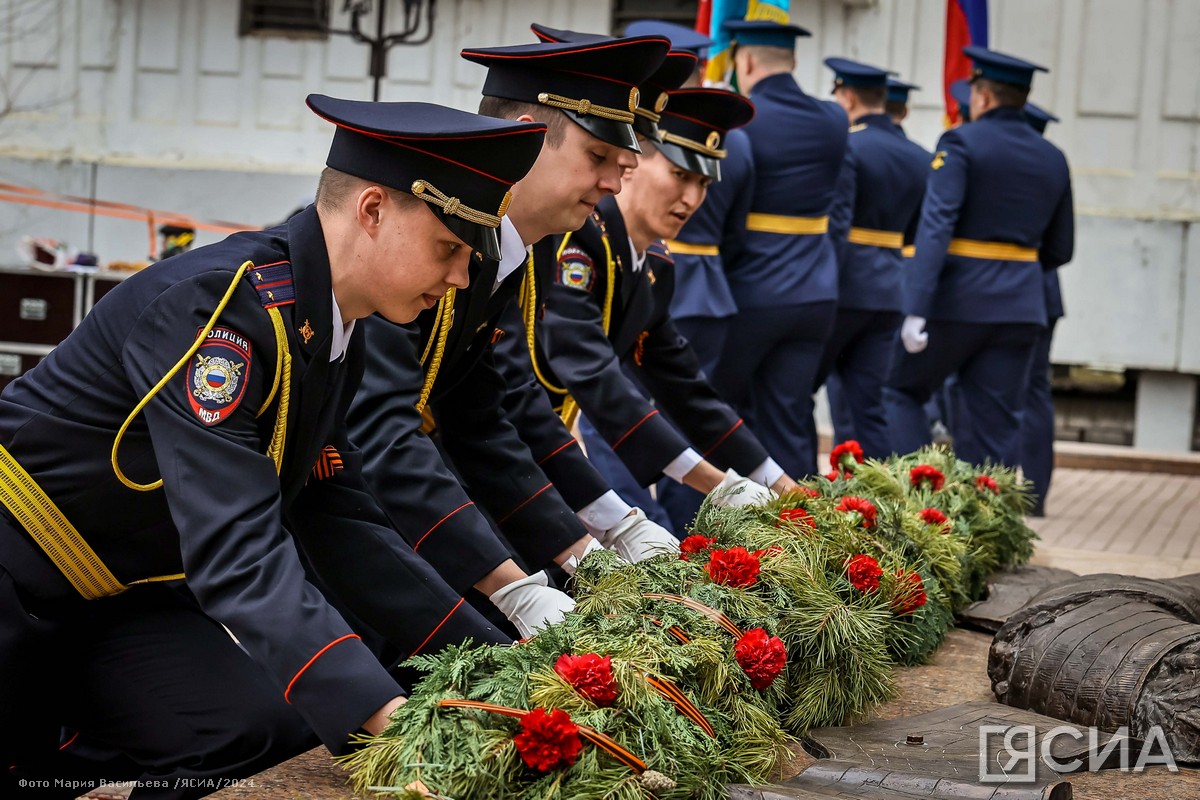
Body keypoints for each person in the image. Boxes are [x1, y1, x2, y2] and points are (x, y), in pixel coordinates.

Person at [0, 95, 540, 797]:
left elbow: (338, 520)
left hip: (115, 595)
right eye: (450, 249)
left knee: (257, 724)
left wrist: (499, 666)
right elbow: (238, 549)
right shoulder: (222, 312)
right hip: (16, 576)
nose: (463, 278)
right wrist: (390, 719)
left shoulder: (326, 330)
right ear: (372, 210)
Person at [347, 33, 684, 638]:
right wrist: (517, 586)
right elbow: (382, 429)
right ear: (528, 138)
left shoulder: (511, 249)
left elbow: (487, 410)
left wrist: (595, 542)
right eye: (598, 157)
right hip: (327, 506)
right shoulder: (419, 236)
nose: (616, 181)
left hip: (398, 489)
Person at [497, 84, 795, 510]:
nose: (692, 199)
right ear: (633, 165)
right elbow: (590, 371)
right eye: (680, 175)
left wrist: (780, 483)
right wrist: (716, 483)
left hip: (532, 452)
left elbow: (684, 387)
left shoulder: (654, 264)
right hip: (491, 452)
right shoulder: (576, 241)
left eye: (703, 183)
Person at [884, 46, 1074, 468]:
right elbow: (1061, 249)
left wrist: (916, 308)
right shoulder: (1053, 157)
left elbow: (937, 225)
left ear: (982, 97)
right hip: (1022, 306)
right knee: (997, 425)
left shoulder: (961, 142)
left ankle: (919, 507)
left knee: (898, 392)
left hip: (959, 301)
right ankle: (988, 527)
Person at [709, 18, 849, 478]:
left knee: (718, 413)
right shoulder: (834, 119)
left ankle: (720, 531)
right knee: (789, 416)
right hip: (817, 291)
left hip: (752, 289)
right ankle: (801, 533)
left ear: (744, 60)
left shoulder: (740, 118)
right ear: (792, 61)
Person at [814, 58, 930, 461]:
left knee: (796, 396)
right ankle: (880, 500)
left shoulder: (848, 144)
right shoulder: (919, 156)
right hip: (889, 290)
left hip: (845, 287)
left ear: (847, 97)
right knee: (870, 407)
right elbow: (917, 233)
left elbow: (836, 224)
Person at [1021, 101, 1065, 516]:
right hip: (1042, 292)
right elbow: (1060, 246)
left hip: (1009, 292)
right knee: (1035, 393)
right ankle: (1035, 494)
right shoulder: (1049, 165)